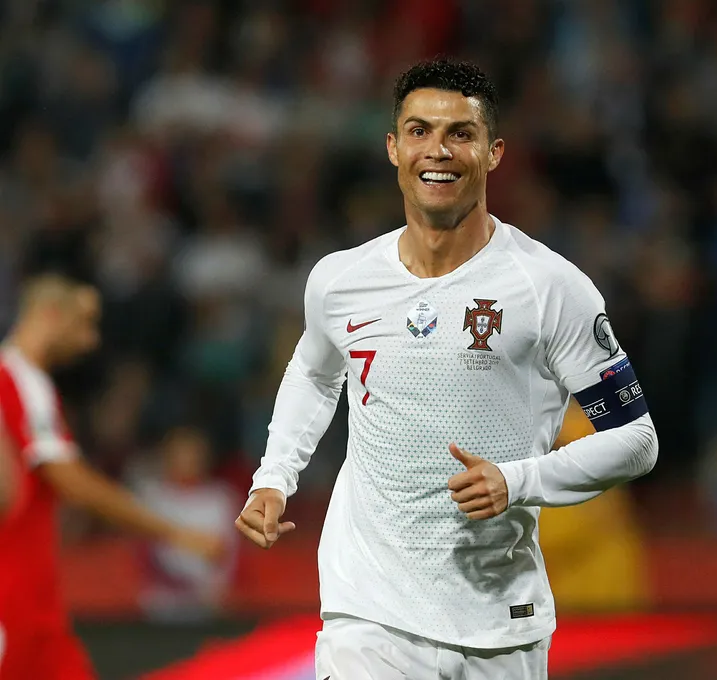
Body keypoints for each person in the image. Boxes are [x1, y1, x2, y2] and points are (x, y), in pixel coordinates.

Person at [235, 58, 658, 679]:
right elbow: (315, 372)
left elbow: (637, 440)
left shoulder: (549, 287)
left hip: (498, 622)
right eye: (419, 131)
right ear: (393, 147)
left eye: (461, 133)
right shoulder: (341, 281)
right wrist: (274, 477)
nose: (438, 150)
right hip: (369, 613)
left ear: (494, 153)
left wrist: (517, 480)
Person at [0, 274, 225, 680]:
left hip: (35, 602)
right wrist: (174, 533)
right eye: (85, 323)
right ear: (50, 315)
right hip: (14, 598)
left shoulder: (25, 382)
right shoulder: (19, 380)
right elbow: (73, 482)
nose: (91, 341)